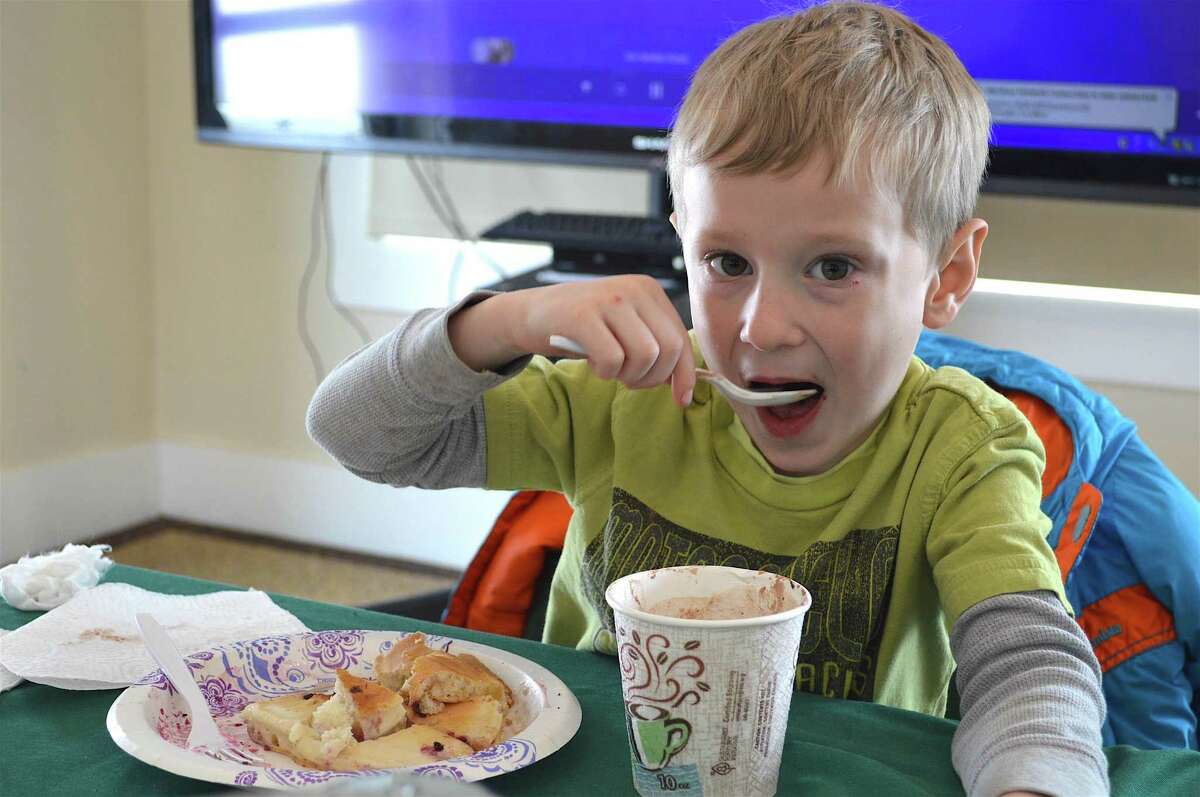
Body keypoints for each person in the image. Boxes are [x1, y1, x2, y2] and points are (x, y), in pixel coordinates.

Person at [306, 2, 1108, 794]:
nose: (763, 327)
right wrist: (508, 319)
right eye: (726, 263)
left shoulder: (963, 448)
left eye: (833, 267)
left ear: (948, 278)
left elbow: (1030, 669)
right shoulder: (622, 396)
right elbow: (355, 433)